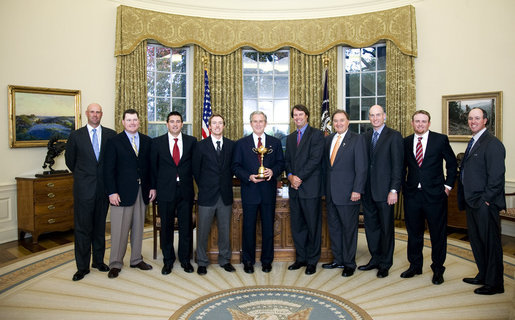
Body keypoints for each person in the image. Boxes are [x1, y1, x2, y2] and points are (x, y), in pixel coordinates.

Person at [401, 110, 457, 285]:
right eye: (417, 121)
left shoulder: (440, 140)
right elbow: (402, 167)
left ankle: (438, 269)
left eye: (423, 121)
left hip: (435, 195)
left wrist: (447, 187)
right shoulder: (406, 142)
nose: (420, 124)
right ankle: (415, 266)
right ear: (412, 123)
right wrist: (404, 185)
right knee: (414, 233)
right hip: (412, 195)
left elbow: (452, 163)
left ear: (429, 123)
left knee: (437, 234)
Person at [65, 103, 116, 281]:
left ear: (102, 114)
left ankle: (99, 261)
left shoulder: (111, 135)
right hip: (83, 190)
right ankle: (82, 267)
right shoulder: (76, 136)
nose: (95, 115)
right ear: (87, 114)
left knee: (100, 227)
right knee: (82, 229)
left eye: (98, 112)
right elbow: (70, 162)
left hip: (103, 190)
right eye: (92, 112)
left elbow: (113, 162)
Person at [103, 109, 156, 279]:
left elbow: (151, 168)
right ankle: (115, 263)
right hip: (121, 193)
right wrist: (112, 192)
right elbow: (108, 170)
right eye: (129, 120)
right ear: (123, 122)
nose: (132, 123)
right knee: (119, 230)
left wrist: (153, 187)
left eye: (135, 120)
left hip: (142, 191)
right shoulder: (114, 142)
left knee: (139, 228)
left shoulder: (147, 141)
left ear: (139, 122)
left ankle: (135, 259)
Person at [458, 107, 505, 295]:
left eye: (477, 118)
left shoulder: (492, 143)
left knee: (490, 244)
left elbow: (497, 177)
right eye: (470, 118)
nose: (473, 121)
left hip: (484, 203)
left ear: (485, 120)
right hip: (472, 202)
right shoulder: (475, 141)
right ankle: (484, 275)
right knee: (477, 242)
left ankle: (495, 284)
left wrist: (486, 200)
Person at [232, 111, 285, 274]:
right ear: (250, 123)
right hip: (250, 191)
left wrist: (272, 172)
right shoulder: (241, 143)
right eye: (255, 121)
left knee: (268, 227)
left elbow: (281, 163)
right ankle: (248, 260)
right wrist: (248, 177)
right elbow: (235, 166)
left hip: (268, 192)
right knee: (248, 228)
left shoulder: (275, 143)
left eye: (261, 121)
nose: (258, 124)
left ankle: (266, 261)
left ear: (266, 123)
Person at [359, 105, 403, 278]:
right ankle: (375, 259)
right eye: (372, 115)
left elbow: (398, 166)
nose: (375, 118)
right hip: (368, 191)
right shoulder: (366, 136)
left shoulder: (394, 136)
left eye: (378, 115)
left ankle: (385, 263)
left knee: (386, 228)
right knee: (371, 227)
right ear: (369, 118)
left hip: (386, 192)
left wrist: (394, 189)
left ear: (384, 116)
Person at [322, 110, 367, 277]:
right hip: (331, 193)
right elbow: (327, 168)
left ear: (348, 121)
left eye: (342, 120)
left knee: (348, 229)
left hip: (349, 193)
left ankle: (349, 263)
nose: (338, 123)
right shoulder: (329, 140)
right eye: (335, 121)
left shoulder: (357, 139)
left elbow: (361, 168)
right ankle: (338, 259)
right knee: (334, 228)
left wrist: (357, 189)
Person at [151, 111, 197, 275]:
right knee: (166, 227)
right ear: (167, 124)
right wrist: (153, 188)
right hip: (165, 191)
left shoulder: (192, 142)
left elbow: (196, 167)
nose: (175, 124)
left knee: (186, 227)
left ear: (182, 124)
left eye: (178, 121)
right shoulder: (157, 143)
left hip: (186, 191)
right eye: (172, 121)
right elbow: (153, 168)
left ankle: (185, 259)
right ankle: (168, 260)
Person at [192, 114, 235, 275]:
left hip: (225, 195)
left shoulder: (231, 145)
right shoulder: (200, 146)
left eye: (220, 123)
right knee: (202, 231)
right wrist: (205, 186)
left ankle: (225, 259)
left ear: (224, 126)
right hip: (206, 195)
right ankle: (202, 261)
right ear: (209, 127)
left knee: (225, 230)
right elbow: (196, 170)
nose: (217, 126)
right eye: (214, 123)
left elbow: (232, 167)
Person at [284, 104, 324, 275]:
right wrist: (291, 176)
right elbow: (287, 161)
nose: (298, 117)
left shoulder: (317, 134)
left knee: (312, 226)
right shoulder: (291, 138)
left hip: (310, 188)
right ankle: (301, 258)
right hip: (295, 189)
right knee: (298, 226)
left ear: (307, 116)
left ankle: (312, 261)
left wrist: (298, 177)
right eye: (295, 115)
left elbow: (315, 160)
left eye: (301, 114)